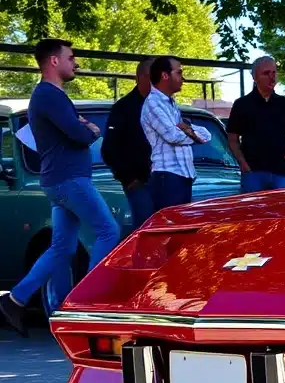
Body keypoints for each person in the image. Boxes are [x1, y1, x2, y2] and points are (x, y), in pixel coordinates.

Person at [0, 39, 121, 336]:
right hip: (69, 179)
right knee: (109, 231)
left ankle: (15, 300)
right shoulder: (49, 95)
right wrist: (91, 130)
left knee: (62, 248)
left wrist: (83, 127)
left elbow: (74, 129)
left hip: (59, 180)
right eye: (70, 57)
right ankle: (87, 302)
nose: (75, 63)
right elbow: (79, 134)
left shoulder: (47, 96)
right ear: (54, 61)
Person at [141, 55, 210, 213]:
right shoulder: (153, 102)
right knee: (170, 225)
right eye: (178, 73)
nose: (183, 78)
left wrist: (186, 129)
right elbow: (173, 135)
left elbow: (206, 135)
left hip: (182, 175)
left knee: (182, 224)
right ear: (165, 75)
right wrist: (191, 133)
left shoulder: (170, 103)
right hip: (167, 176)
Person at [226, 56, 285, 193]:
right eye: (266, 73)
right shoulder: (242, 104)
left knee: (281, 206)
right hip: (253, 173)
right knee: (253, 207)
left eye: (274, 73)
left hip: (280, 173)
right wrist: (243, 163)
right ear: (254, 77)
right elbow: (232, 138)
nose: (272, 77)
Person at [102, 57, 156, 229]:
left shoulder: (164, 105)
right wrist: (128, 178)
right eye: (153, 76)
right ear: (141, 77)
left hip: (165, 179)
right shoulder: (124, 107)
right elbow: (109, 148)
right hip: (139, 182)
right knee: (147, 228)